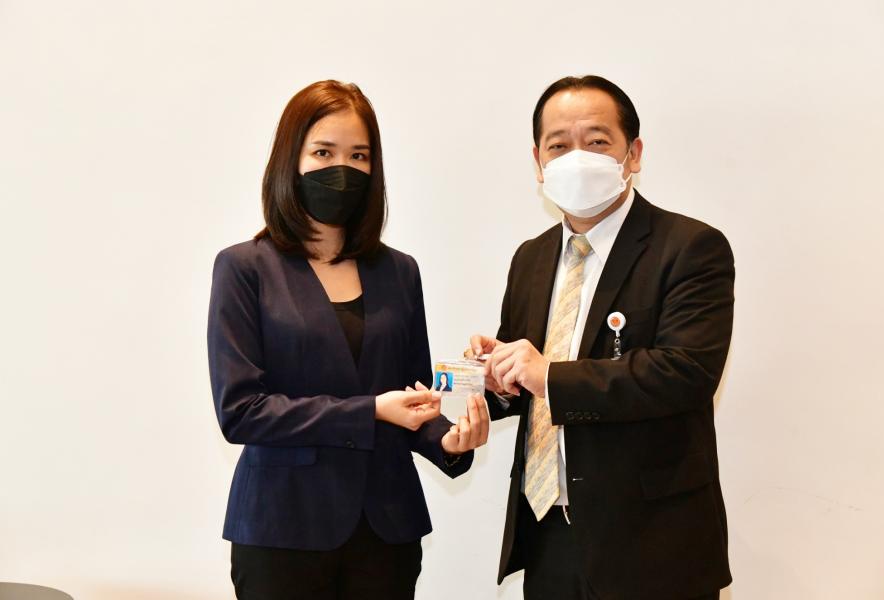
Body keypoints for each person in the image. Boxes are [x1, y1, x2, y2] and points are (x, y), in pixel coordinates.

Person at [207, 80, 489, 600]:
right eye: (323, 152)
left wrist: (448, 441)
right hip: (282, 531)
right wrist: (370, 411)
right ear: (290, 160)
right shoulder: (245, 268)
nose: (342, 168)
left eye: (358, 155)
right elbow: (241, 412)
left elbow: (413, 397)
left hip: (387, 531)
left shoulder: (400, 271)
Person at [468, 75, 734, 599]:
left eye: (596, 141)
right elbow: (528, 382)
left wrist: (549, 375)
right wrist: (497, 377)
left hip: (652, 543)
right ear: (538, 162)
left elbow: (685, 372)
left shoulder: (690, 247)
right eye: (558, 145)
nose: (577, 158)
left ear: (633, 153)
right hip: (548, 532)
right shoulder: (530, 258)